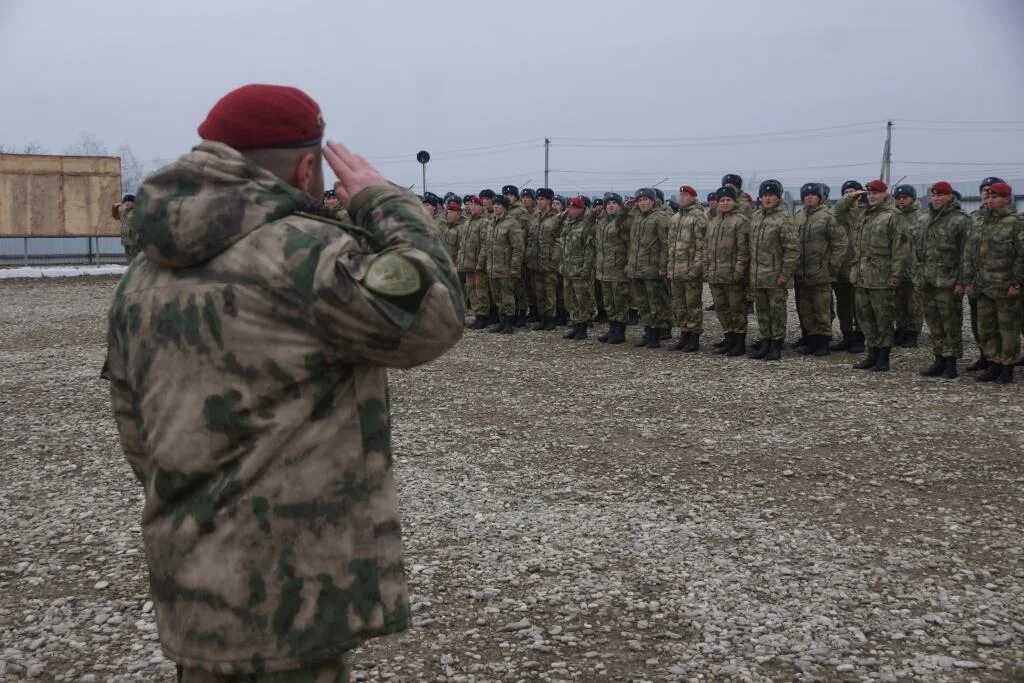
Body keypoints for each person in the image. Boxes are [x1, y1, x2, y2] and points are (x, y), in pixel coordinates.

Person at [102, 84, 464, 682]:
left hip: (195, 575)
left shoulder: (144, 270)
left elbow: (132, 418)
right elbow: (434, 316)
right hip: (289, 589)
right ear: (305, 166)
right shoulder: (304, 254)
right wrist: (387, 204)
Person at [834, 179, 910, 372]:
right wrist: (850, 196)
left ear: (885, 194)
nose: (872, 196)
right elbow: (837, 213)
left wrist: (895, 276)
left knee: (882, 319)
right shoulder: (863, 215)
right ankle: (872, 354)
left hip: (881, 278)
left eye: (876, 193)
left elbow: (900, 249)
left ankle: (883, 357)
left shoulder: (893, 216)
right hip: (861, 276)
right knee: (865, 318)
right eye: (869, 193)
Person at [963, 182, 1023, 384]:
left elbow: (1022, 255)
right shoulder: (979, 222)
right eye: (987, 197)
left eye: (994, 197)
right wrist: (968, 280)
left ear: (1007, 199)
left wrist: (1017, 282)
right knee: (986, 328)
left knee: (1007, 330)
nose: (989, 201)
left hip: (1004, 286)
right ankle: (993, 363)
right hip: (983, 286)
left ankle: (1007, 367)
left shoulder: (1015, 222)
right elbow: (970, 254)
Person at [916, 181, 971, 379]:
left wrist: (962, 281)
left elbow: (967, 254)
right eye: (934, 195)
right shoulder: (925, 220)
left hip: (948, 282)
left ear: (950, 196)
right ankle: (938, 358)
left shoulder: (960, 220)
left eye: (941, 195)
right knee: (934, 323)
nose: (936, 198)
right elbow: (918, 251)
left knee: (951, 323)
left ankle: (951, 362)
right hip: (928, 280)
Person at [792, 182, 847, 357]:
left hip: (821, 272)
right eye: (806, 195)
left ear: (820, 197)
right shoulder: (798, 217)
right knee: (805, 309)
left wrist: (832, 266)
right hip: (802, 272)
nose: (809, 197)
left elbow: (840, 243)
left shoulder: (828, 217)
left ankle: (824, 341)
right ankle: (811, 340)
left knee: (821, 308)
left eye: (813, 195)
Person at [747, 180, 798, 361]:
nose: (768, 198)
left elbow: (791, 250)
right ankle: (766, 340)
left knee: (776, 311)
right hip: (758, 275)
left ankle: (776, 343)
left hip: (776, 275)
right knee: (762, 311)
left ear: (778, 197)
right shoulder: (756, 216)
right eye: (765, 195)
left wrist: (785, 275)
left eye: (772, 195)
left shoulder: (784, 219)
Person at [965, 176, 1006, 372]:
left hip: (1000, 282)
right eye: (984, 191)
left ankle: (1003, 361)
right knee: (979, 324)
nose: (987, 195)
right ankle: (985, 356)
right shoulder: (974, 218)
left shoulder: (1012, 219)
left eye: (991, 192)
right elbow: (966, 250)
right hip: (977, 281)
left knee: (1002, 325)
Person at [705, 186, 751, 356]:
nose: (724, 203)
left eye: (728, 200)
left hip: (732, 275)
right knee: (722, 309)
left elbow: (743, 250)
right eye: (722, 200)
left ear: (734, 202)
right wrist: (706, 268)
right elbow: (706, 248)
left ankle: (739, 342)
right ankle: (729, 337)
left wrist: (739, 273)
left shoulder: (740, 221)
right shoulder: (714, 222)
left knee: (736, 309)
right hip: (716, 274)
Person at [626, 188, 672, 348]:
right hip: (636, 268)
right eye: (640, 200)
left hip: (652, 269)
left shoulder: (660, 217)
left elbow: (666, 244)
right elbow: (621, 222)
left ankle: (656, 333)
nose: (642, 203)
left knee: (655, 303)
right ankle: (648, 330)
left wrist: (663, 266)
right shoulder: (636, 216)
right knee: (642, 303)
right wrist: (627, 206)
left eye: (646, 199)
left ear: (653, 201)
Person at [666, 185, 707, 351]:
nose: (682, 198)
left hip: (690, 270)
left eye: (686, 195)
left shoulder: (698, 217)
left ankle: (694, 337)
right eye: (681, 195)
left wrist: (696, 267)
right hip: (676, 269)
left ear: (693, 198)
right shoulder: (675, 218)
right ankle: (684, 333)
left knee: (693, 305)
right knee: (679, 305)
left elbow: (702, 246)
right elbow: (670, 245)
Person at [481, 194, 525, 334]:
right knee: (497, 296)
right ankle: (501, 321)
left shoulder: (512, 223)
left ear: (505, 208)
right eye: (494, 204)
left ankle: (508, 323)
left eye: (499, 205)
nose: (495, 207)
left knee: (507, 296)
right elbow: (486, 245)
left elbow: (518, 247)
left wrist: (515, 267)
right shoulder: (490, 223)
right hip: (493, 266)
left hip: (506, 267)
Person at [831, 180, 865, 353]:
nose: (851, 196)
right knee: (843, 305)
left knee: (859, 305)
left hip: (859, 267)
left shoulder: (865, 212)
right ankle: (847, 336)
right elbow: (836, 210)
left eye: (853, 192)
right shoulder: (839, 214)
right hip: (841, 267)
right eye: (846, 193)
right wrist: (849, 197)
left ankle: (860, 337)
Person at [593, 192, 632, 344]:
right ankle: (612, 328)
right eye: (608, 203)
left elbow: (630, 245)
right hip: (604, 269)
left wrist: (628, 264)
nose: (610, 206)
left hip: (618, 268)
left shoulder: (624, 221)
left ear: (619, 205)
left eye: (614, 203)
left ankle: (620, 331)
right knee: (608, 302)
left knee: (619, 301)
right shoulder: (602, 221)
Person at [892, 184, 926, 347]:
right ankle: (901, 329)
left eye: (905, 197)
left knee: (914, 304)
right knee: (898, 302)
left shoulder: (921, 217)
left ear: (912, 198)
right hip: (897, 267)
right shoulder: (893, 216)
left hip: (914, 267)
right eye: (898, 198)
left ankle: (912, 332)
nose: (901, 200)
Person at [558, 197, 597, 340]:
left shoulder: (587, 224)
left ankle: (583, 327)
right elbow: (554, 228)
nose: (571, 211)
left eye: (575, 208)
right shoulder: (567, 223)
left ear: (582, 209)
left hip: (580, 269)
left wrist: (586, 269)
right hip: (568, 268)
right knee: (570, 299)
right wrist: (563, 214)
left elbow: (590, 251)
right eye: (570, 208)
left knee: (583, 299)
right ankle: (575, 324)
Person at [456, 196, 491, 329]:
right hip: (467, 263)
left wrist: (481, 262)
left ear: (481, 206)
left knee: (480, 290)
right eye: (471, 205)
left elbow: (484, 244)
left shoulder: (484, 222)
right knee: (471, 290)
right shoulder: (467, 222)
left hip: (478, 263)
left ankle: (484, 316)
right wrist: (460, 260)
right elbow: (462, 245)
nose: (472, 207)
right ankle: (477, 315)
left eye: (476, 205)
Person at [113, 193, 138, 260]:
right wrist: (114, 208)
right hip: (126, 239)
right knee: (129, 258)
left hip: (135, 240)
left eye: (129, 201)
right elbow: (115, 217)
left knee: (136, 258)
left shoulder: (138, 211)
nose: (127, 203)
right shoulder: (123, 211)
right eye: (125, 202)